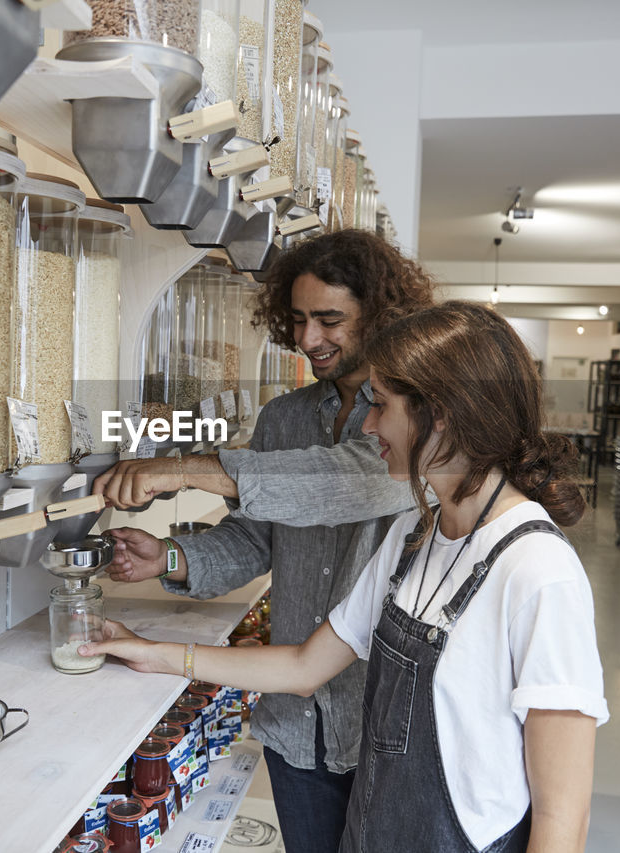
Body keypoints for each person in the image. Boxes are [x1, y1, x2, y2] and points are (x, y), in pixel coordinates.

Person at [83, 301, 608, 853]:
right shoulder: (415, 534)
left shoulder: (538, 572)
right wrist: (152, 652)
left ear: (442, 412)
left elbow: (562, 817)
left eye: (381, 405)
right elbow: (305, 665)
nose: (370, 424)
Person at [94, 229, 435, 853]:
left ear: (382, 317)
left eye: (330, 321)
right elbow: (259, 537)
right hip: (293, 722)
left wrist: (180, 467)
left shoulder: (418, 418)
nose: (309, 341)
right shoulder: (286, 416)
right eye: (300, 320)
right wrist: (172, 556)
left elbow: (341, 483)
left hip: (386, 725)